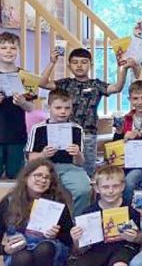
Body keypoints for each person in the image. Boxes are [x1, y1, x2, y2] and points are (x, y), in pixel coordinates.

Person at [0, 160, 74, 266]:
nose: (42, 180)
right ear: (26, 177)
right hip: (19, 254)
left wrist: (57, 234)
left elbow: (69, 239)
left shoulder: (57, 204)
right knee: (23, 256)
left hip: (51, 254)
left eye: (47, 177)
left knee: (44, 248)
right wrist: (5, 250)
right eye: (37, 175)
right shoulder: (9, 203)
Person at [65, 165, 142, 266]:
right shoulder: (89, 212)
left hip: (123, 247)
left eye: (115, 186)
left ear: (122, 186)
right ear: (97, 189)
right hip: (96, 250)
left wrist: (135, 238)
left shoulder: (131, 209)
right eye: (105, 187)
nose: (110, 191)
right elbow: (80, 248)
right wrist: (76, 239)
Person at [40, 47, 129, 176]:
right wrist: (52, 62)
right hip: (66, 132)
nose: (79, 65)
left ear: (91, 65)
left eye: (84, 62)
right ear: (69, 66)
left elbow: (117, 87)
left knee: (88, 170)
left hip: (88, 134)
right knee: (63, 168)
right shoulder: (65, 83)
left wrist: (123, 68)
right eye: (75, 62)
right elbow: (43, 83)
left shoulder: (96, 84)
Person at [26, 89, 90, 214]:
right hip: (44, 167)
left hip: (70, 167)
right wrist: (43, 155)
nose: (63, 111)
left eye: (67, 108)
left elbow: (79, 162)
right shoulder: (38, 129)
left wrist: (77, 154)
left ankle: (76, 223)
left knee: (83, 190)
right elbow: (31, 159)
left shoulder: (77, 129)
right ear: (49, 107)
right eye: (58, 108)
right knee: (41, 190)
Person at [0, 32, 34, 179]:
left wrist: (22, 102)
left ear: (18, 51)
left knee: (16, 176)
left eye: (12, 48)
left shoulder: (26, 76)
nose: (8, 51)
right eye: (3, 47)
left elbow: (30, 107)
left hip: (16, 135)